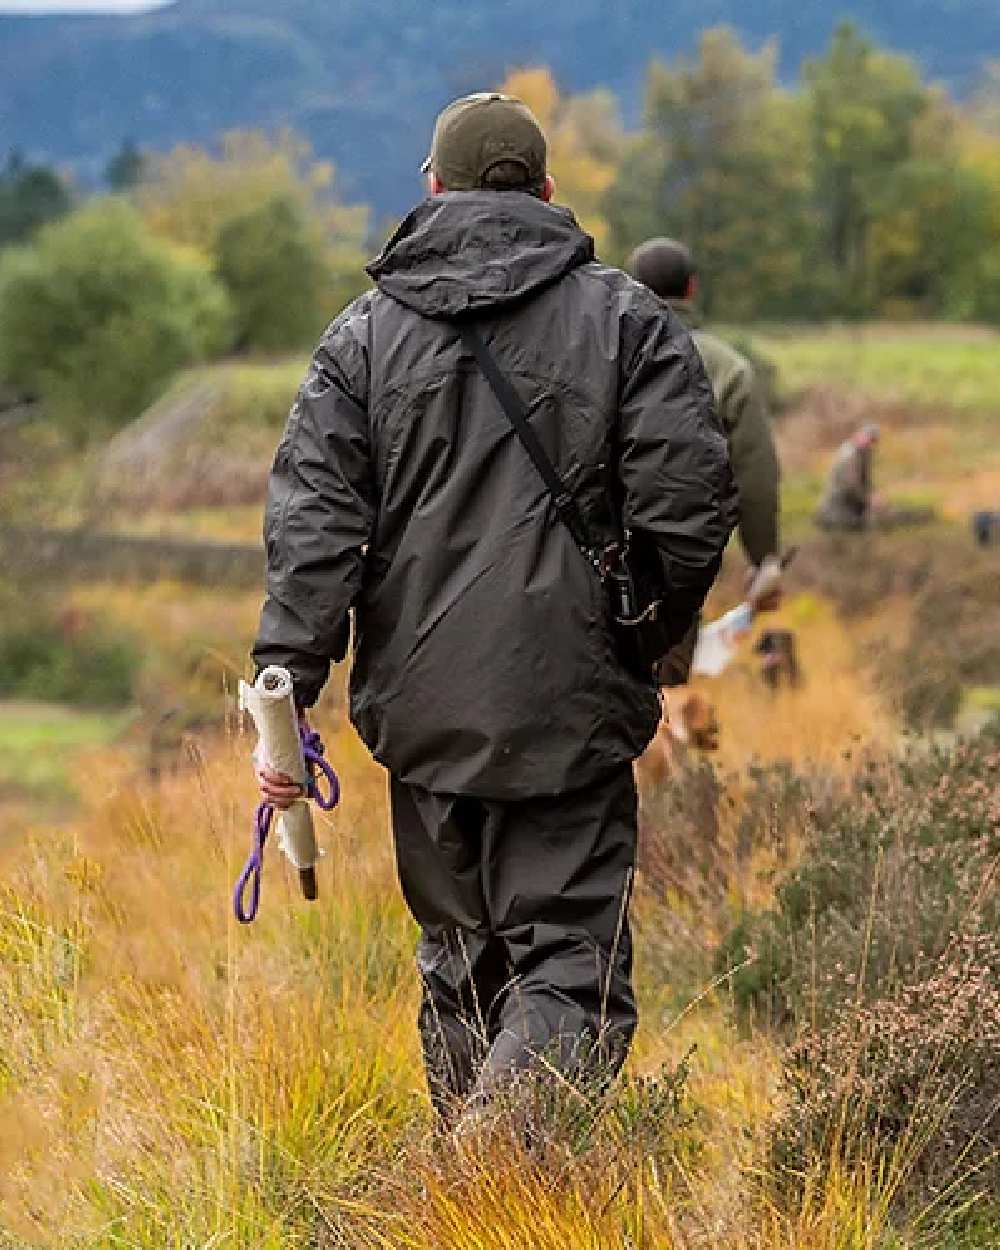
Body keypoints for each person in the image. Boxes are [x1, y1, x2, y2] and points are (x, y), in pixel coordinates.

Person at [251, 93, 736, 1122]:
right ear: (548, 192)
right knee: (568, 967)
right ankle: (495, 1170)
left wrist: (286, 680)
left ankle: (471, 1187)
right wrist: (640, 638)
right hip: (571, 697)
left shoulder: (362, 339)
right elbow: (689, 507)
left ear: (432, 189)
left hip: (423, 709)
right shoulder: (627, 320)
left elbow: (314, 526)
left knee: (460, 961)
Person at [626, 237, 782, 686]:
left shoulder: (601, 354)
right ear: (692, 289)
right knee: (663, 695)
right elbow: (755, 476)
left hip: (592, 557)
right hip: (679, 562)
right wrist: (763, 557)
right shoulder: (729, 369)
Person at [816, 423, 881, 531]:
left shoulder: (863, 453)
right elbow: (851, 487)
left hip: (852, 503)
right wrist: (870, 499)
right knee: (873, 524)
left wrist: (874, 493)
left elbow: (865, 481)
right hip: (837, 509)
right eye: (869, 438)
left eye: (873, 441)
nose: (870, 444)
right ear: (858, 436)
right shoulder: (849, 455)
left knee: (883, 515)